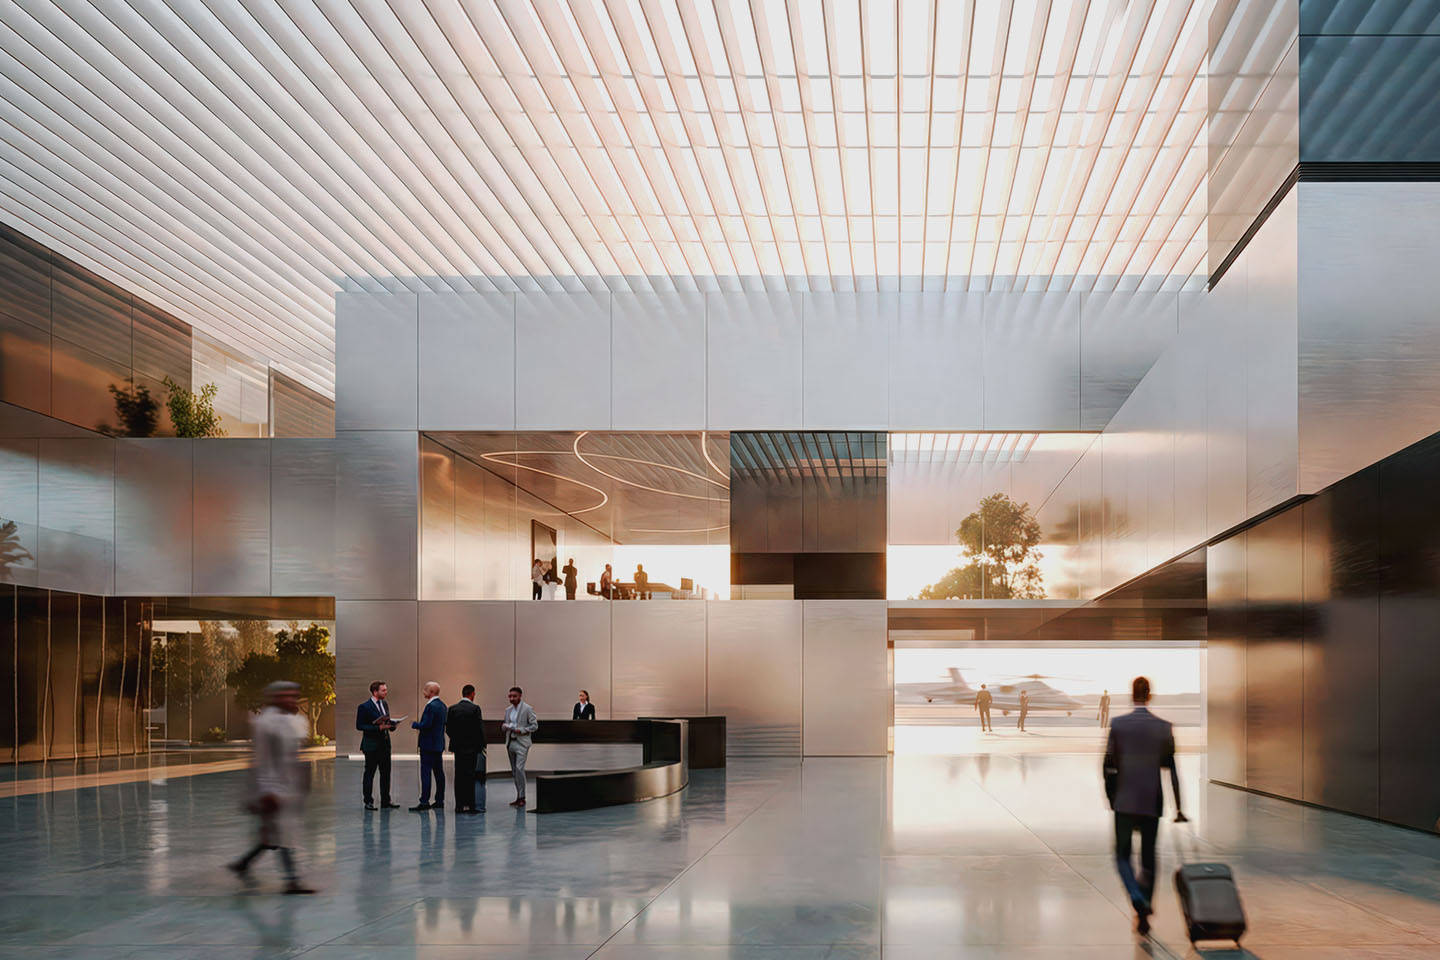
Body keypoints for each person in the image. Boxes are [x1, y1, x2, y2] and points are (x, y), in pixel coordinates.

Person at [1103, 675, 1185, 935]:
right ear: (1149, 695)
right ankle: (1144, 909)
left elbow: (1108, 766)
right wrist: (1178, 808)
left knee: (1122, 856)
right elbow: (1171, 770)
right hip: (1152, 801)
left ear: (1132, 695)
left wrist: (1112, 798)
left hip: (1124, 801)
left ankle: (1136, 895)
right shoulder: (1163, 727)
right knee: (1149, 857)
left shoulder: (1118, 725)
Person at [228, 681, 315, 893]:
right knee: (283, 834)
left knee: (274, 834)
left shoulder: (292, 721)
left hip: (289, 787)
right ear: (275, 697)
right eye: (286, 695)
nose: (291, 700)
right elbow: (262, 760)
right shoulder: (265, 724)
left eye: (294, 695)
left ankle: (243, 864)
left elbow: (295, 754)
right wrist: (267, 791)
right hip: (272, 789)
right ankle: (292, 881)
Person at [356, 680, 399, 810]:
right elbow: (360, 726)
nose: (386, 692)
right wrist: (378, 728)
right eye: (383, 690)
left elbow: (386, 722)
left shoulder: (384, 704)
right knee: (370, 773)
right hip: (371, 745)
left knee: (386, 773)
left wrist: (392, 726)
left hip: (385, 744)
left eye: (386, 689)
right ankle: (368, 801)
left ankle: (386, 800)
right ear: (375, 692)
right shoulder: (364, 707)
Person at [447, 684, 485, 814]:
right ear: (472, 694)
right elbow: (479, 729)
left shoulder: (452, 709)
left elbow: (449, 729)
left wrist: (456, 740)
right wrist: (481, 745)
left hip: (458, 748)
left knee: (459, 775)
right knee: (470, 775)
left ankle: (459, 805)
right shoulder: (475, 709)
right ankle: (471, 805)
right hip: (472, 748)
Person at [410, 681, 447, 811]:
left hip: (428, 745)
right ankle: (439, 800)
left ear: (430, 692)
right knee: (439, 773)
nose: (423, 692)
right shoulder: (442, 705)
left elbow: (426, 724)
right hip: (438, 744)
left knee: (426, 773)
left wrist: (415, 724)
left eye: (425, 690)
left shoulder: (431, 706)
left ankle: (424, 801)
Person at [502, 685, 539, 808]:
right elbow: (506, 723)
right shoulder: (508, 710)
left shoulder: (527, 709)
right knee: (514, 771)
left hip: (522, 742)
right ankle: (518, 796)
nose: (512, 698)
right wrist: (505, 726)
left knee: (519, 769)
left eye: (514, 696)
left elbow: (534, 726)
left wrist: (521, 730)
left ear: (520, 696)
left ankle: (522, 797)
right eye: (510, 696)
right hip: (510, 742)